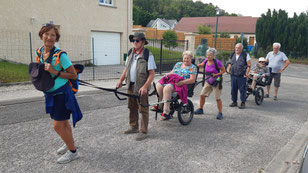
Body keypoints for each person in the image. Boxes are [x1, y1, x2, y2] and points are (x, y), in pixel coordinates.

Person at [37, 24, 82, 164]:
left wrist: (54, 71)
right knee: (64, 123)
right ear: (41, 35)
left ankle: (73, 152)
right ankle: (69, 142)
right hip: (50, 93)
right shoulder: (39, 52)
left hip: (62, 93)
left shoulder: (61, 55)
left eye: (53, 35)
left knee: (57, 125)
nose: (49, 37)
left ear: (56, 38)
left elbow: (73, 75)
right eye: (47, 34)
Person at [116, 32, 156, 141]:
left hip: (141, 86)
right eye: (133, 40)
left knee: (143, 108)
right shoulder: (130, 53)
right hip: (130, 85)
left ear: (143, 42)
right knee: (132, 107)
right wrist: (120, 80)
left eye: (137, 40)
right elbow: (126, 69)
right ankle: (134, 127)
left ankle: (143, 131)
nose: (134, 42)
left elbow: (152, 73)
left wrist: (145, 86)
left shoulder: (148, 54)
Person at [153, 50, 197, 120]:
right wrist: (168, 74)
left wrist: (182, 82)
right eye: (184, 58)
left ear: (191, 59)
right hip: (173, 80)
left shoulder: (193, 67)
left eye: (188, 58)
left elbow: (192, 80)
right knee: (158, 85)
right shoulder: (178, 64)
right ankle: (160, 105)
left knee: (167, 88)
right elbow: (172, 72)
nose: (185, 60)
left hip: (182, 83)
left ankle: (166, 110)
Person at [194, 48, 225, 120]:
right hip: (208, 81)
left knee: (217, 98)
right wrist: (196, 65)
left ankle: (220, 113)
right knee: (202, 95)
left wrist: (216, 74)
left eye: (210, 55)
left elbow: (223, 70)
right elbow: (201, 64)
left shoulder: (217, 62)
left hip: (216, 81)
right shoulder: (206, 61)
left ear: (214, 55)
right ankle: (201, 109)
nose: (208, 56)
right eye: (207, 55)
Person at [227, 43, 252, 109]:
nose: (237, 49)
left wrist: (247, 73)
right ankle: (234, 101)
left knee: (242, 90)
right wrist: (228, 69)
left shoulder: (245, 55)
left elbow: (249, 65)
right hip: (233, 75)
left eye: (239, 48)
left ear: (241, 48)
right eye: (236, 47)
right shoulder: (232, 54)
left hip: (242, 75)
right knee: (233, 89)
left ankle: (243, 102)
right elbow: (230, 63)